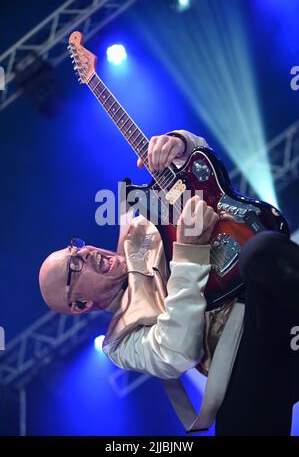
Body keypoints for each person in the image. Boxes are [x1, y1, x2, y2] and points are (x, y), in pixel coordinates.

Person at [39, 130, 299, 436]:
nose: (86, 253)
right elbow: (180, 352)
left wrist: (180, 145)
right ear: (79, 304)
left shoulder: (138, 228)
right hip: (242, 358)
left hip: (262, 296)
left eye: (76, 247)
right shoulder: (119, 344)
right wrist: (189, 253)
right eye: (75, 265)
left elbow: (202, 181)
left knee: (262, 251)